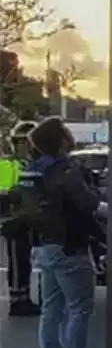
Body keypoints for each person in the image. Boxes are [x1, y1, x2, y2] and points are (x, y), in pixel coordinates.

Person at [17, 117, 108, 348]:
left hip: (43, 246)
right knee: (79, 308)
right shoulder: (65, 169)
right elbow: (87, 202)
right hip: (69, 245)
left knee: (51, 310)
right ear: (60, 140)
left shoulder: (34, 169)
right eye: (66, 132)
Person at [3, 121, 38, 316]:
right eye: (24, 142)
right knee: (17, 261)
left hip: (26, 219)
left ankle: (24, 297)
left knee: (24, 261)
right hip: (13, 220)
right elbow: (4, 193)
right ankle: (17, 300)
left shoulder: (27, 164)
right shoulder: (7, 165)